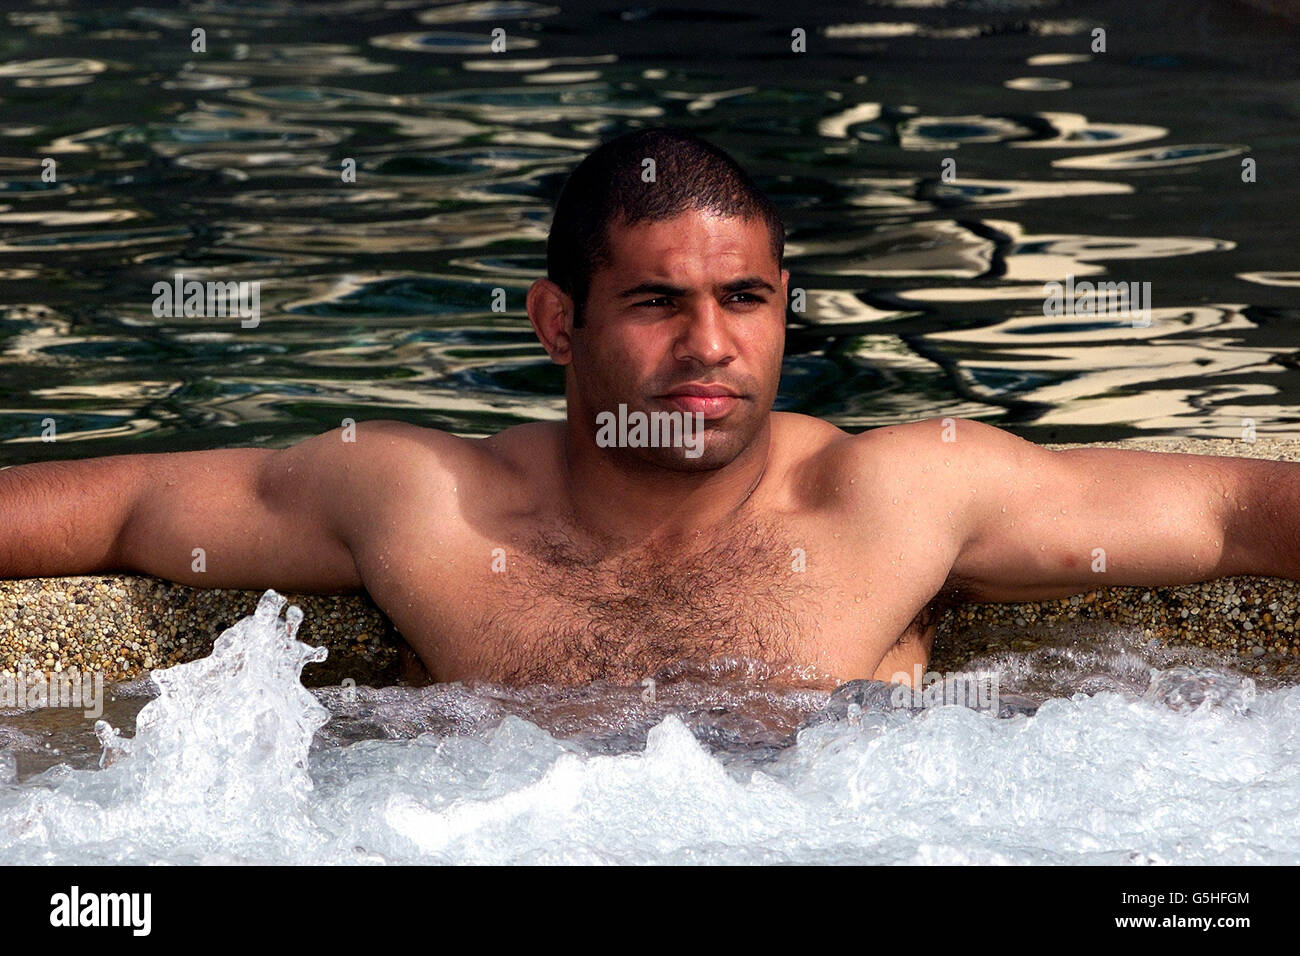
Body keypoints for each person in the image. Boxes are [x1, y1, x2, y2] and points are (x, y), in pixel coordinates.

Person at [2, 128, 1296, 687]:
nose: (710, 347)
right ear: (559, 321)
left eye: (747, 298)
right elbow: (116, 504)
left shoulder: (901, 493)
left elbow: (1240, 509)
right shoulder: (418, 500)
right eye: (655, 304)